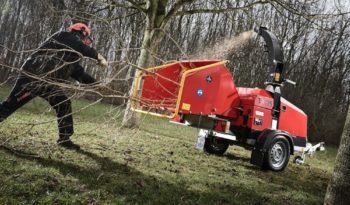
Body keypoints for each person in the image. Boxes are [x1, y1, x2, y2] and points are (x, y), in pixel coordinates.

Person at [0, 22, 108, 150]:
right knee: (12, 103)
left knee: (64, 103)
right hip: (34, 77)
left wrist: (96, 84)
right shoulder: (64, 36)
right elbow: (79, 46)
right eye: (85, 38)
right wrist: (98, 56)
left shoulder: (72, 55)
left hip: (49, 83)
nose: (85, 41)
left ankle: (65, 138)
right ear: (81, 32)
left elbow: (79, 73)